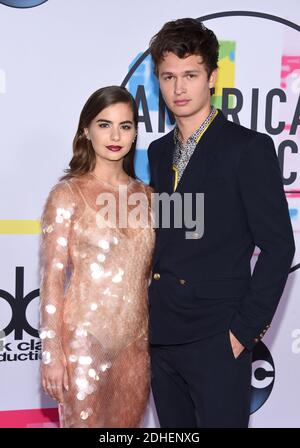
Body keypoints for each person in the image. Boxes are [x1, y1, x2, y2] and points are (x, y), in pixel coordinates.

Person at [147, 18, 295, 428]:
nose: (179, 88)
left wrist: (242, 333)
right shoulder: (158, 152)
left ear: (212, 77)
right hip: (161, 337)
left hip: (217, 337)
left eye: (190, 75)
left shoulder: (247, 149)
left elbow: (279, 245)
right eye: (168, 76)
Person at [39, 86, 154, 428]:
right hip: (83, 347)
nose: (116, 135)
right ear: (86, 131)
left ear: (135, 133)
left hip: (136, 349)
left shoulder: (149, 197)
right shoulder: (67, 194)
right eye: (104, 125)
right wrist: (52, 356)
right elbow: (52, 282)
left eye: (126, 125)